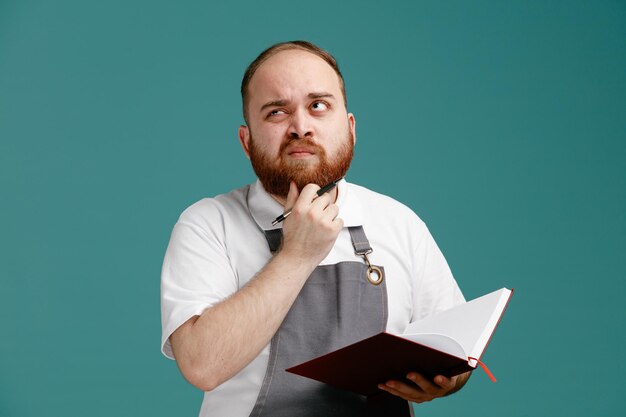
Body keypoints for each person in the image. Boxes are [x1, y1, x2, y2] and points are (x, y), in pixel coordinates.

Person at [160, 40, 471, 416]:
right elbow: (202, 366)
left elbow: (455, 349)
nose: (300, 127)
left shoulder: (399, 221)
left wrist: (444, 379)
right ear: (246, 141)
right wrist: (296, 255)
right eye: (276, 112)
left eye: (318, 106)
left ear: (350, 128)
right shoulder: (209, 223)